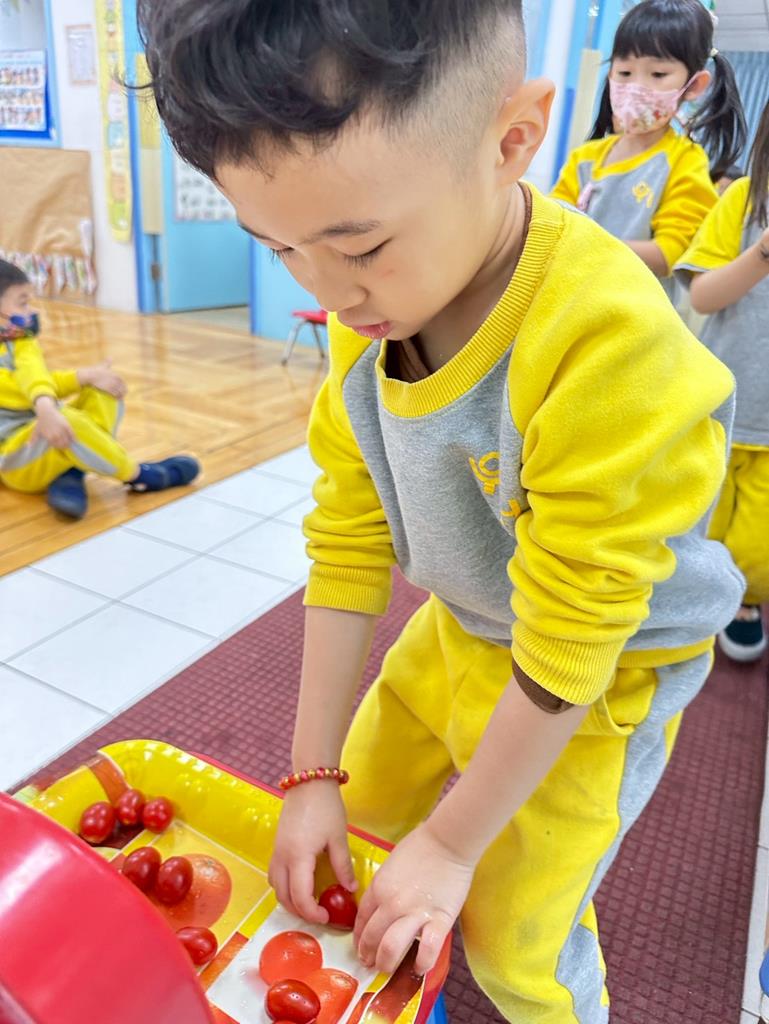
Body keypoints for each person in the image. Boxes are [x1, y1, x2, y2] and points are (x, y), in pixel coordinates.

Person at [139, 2, 744, 1021]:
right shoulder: (371, 310)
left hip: (602, 671)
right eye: (279, 248)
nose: (330, 295)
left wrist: (456, 844)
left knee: (514, 937)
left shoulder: (609, 344)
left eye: (362, 245)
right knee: (359, 825)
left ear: (512, 139)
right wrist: (310, 772)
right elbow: (347, 535)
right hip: (465, 621)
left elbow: (573, 635)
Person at [551, 0, 746, 282]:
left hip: (630, 303)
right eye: (625, 73)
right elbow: (552, 223)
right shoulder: (584, 158)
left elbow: (668, 253)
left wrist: (585, 244)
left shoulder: (684, 161)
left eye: (658, 74)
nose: (636, 86)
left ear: (694, 85)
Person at [675, 100, 769, 662]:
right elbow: (703, 295)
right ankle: (692, 599)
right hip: (723, 406)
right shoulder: (744, 200)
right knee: (694, 520)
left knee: (758, 547)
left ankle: (745, 597)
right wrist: (762, 252)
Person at [0, 260, 200, 519]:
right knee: (70, 420)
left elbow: (35, 374)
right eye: (23, 303)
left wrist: (88, 378)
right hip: (16, 458)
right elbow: (15, 390)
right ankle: (139, 475)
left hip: (47, 429)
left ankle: (71, 472)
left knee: (105, 389)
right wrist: (50, 404)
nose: (31, 311)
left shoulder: (19, 339)